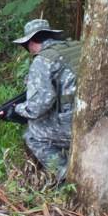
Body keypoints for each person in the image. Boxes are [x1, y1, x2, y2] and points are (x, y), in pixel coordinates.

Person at [12, 19, 81, 183]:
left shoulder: (43, 60)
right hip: (96, 116)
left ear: (32, 42)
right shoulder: (78, 47)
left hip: (75, 124)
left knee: (33, 135)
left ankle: (63, 174)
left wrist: (19, 109)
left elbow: (39, 105)